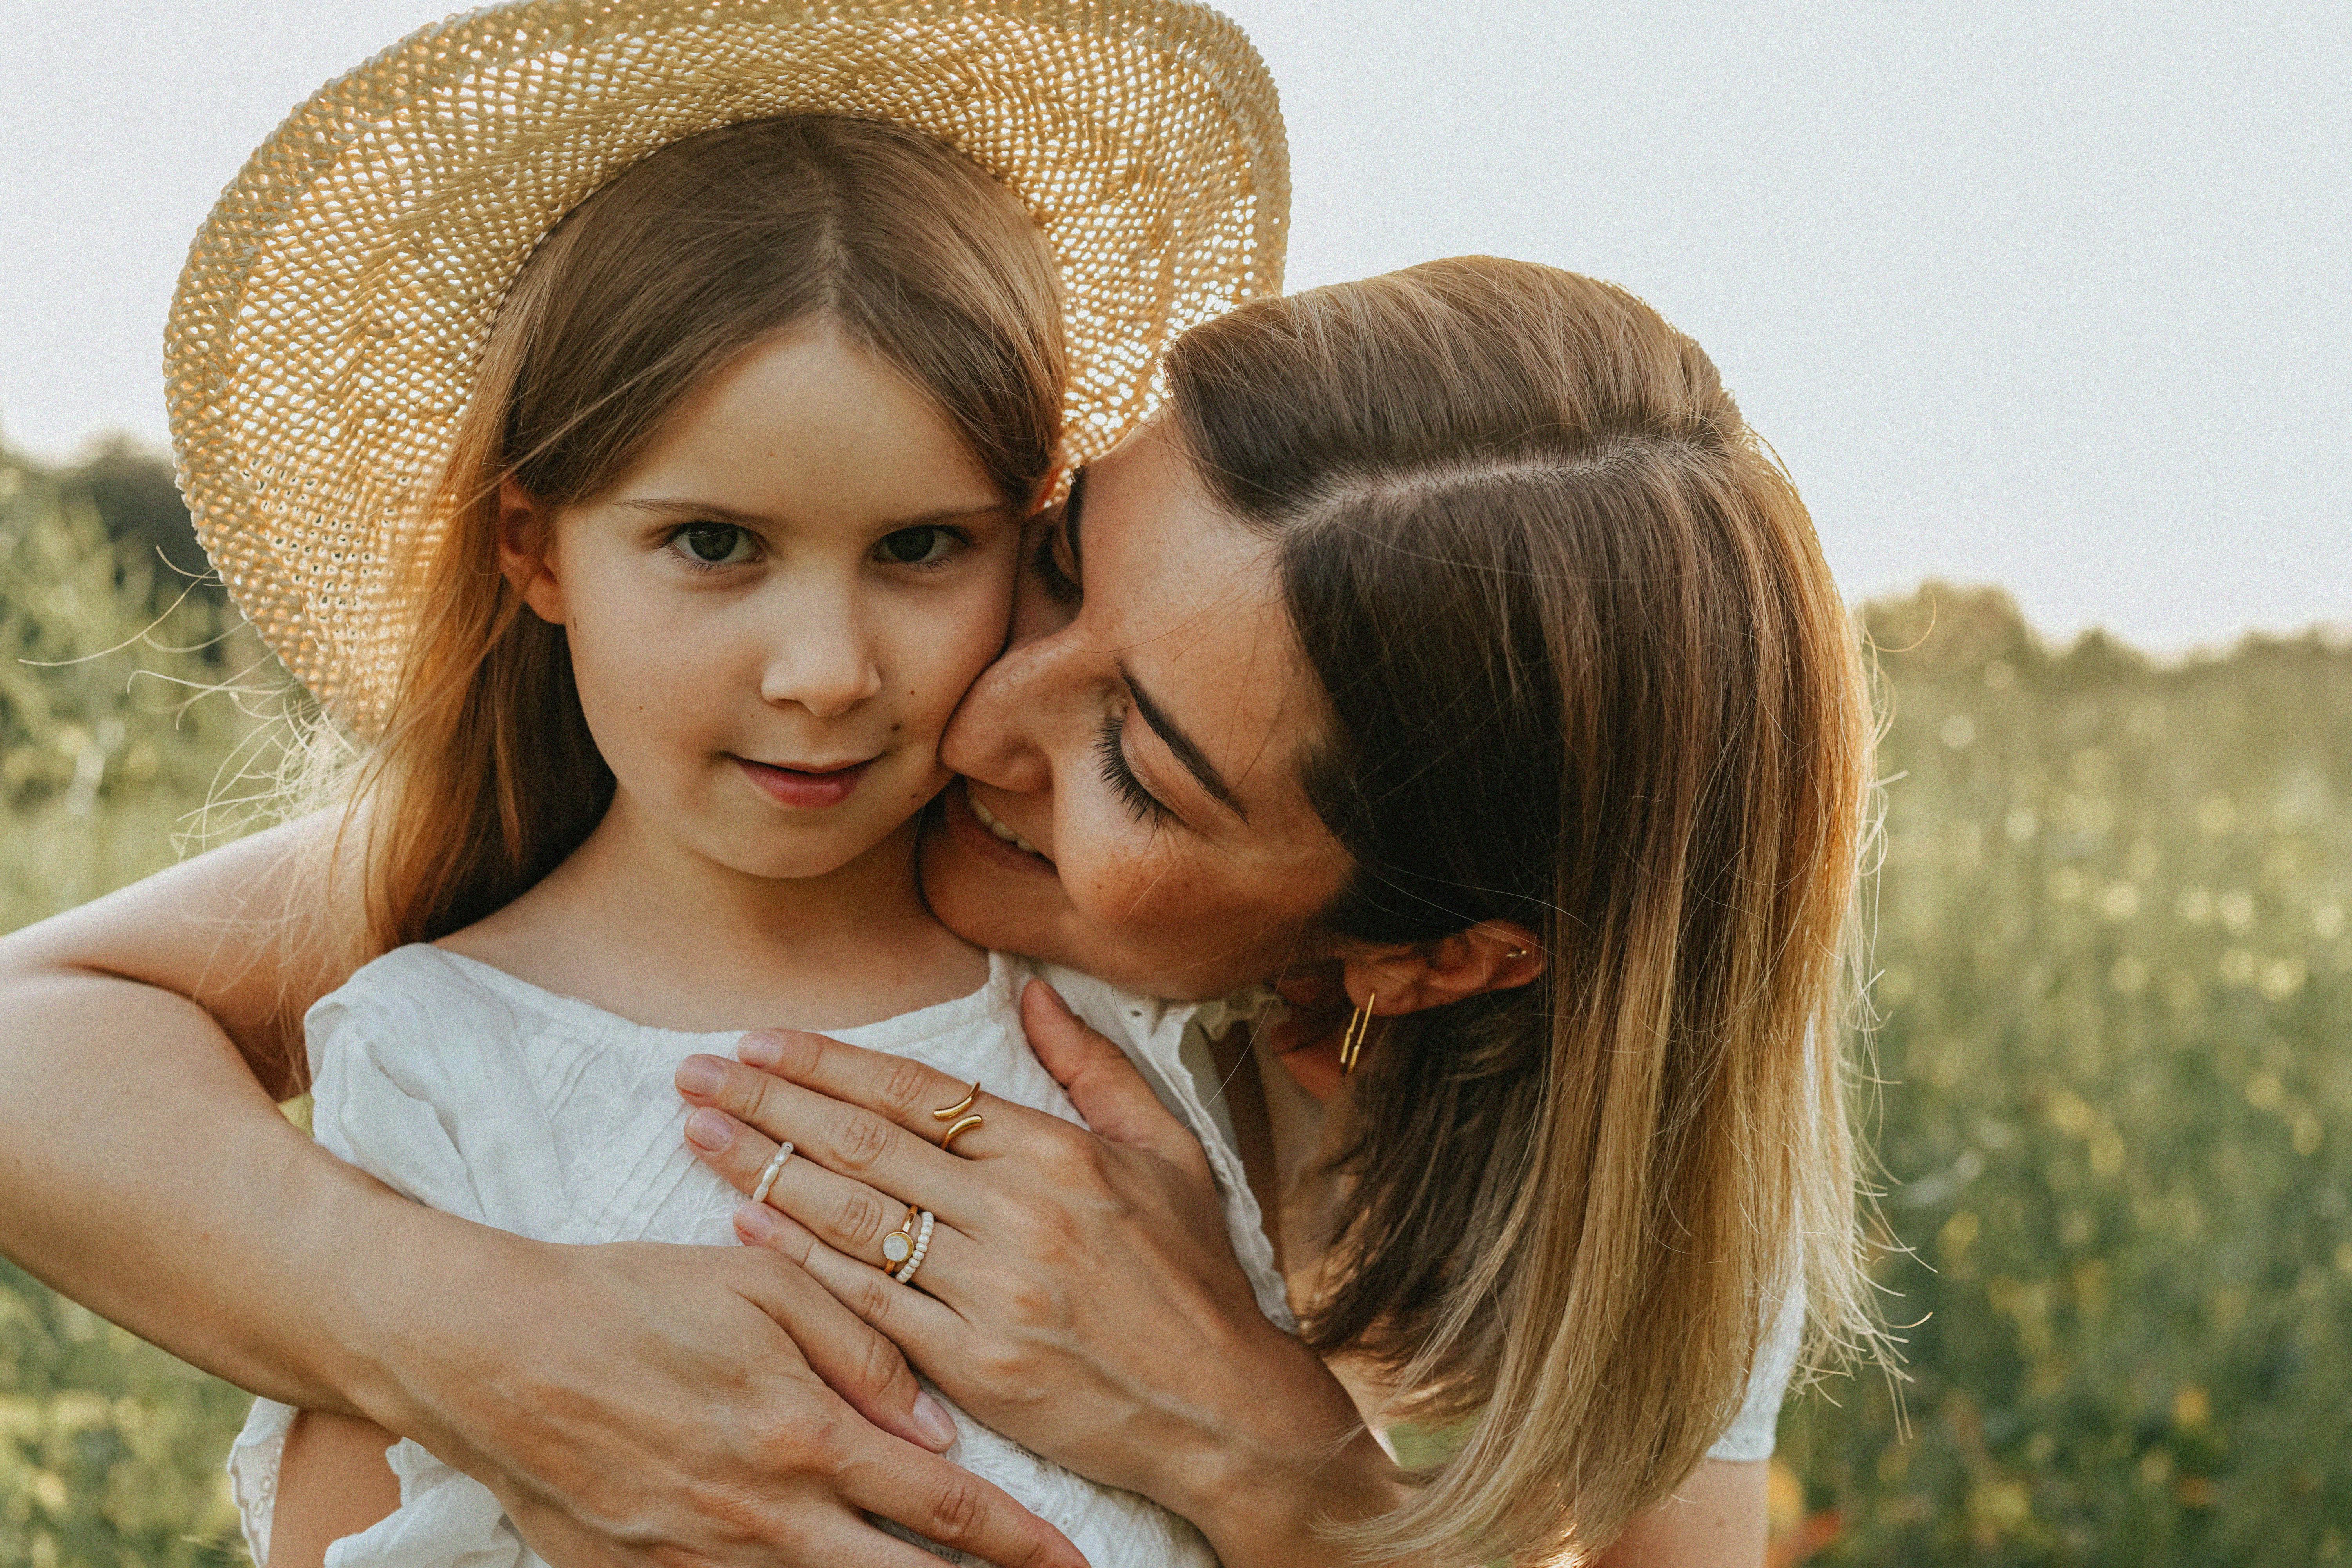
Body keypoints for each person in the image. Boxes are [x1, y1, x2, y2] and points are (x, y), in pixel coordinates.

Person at [0, 18, 1879, 1568]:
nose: (948, 716)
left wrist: (1285, 1476)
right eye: (1058, 567)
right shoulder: (611, 919)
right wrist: (493, 1340)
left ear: (1438, 958)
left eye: (1136, 760)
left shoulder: (1615, 1144)